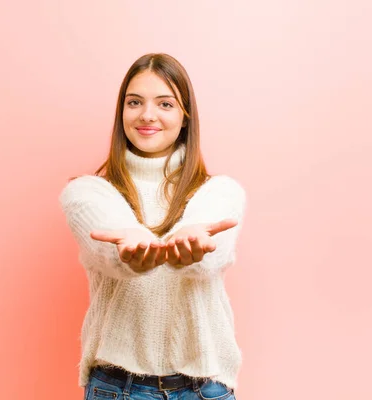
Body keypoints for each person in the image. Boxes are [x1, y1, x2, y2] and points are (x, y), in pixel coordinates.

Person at [60, 53, 245, 400]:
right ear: (121, 113)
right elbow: (106, 244)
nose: (147, 115)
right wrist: (129, 253)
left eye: (165, 103)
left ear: (185, 117)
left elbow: (210, 256)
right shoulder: (87, 191)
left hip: (205, 388)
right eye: (134, 102)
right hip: (118, 388)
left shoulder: (220, 191)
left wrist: (188, 244)